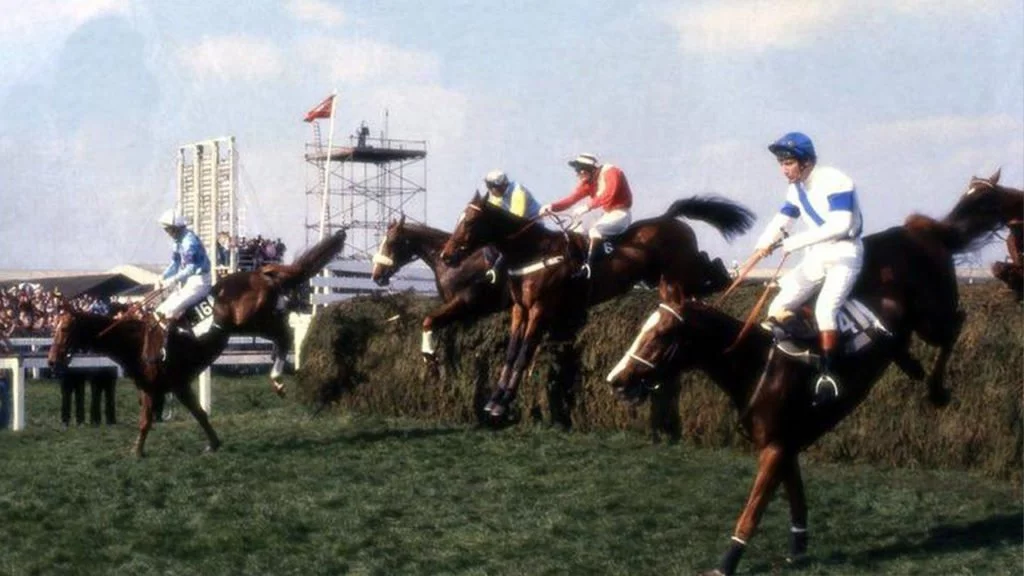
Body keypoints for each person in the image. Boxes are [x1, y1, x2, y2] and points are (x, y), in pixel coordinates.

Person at [753, 132, 864, 406]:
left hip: (845, 252)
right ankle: (805, 353)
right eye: (781, 163)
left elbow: (839, 225)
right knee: (779, 305)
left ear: (805, 162)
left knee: (825, 309)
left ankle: (828, 375)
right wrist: (762, 246)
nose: (783, 169)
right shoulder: (795, 189)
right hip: (818, 253)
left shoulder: (836, 181)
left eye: (788, 162)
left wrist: (796, 242)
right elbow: (782, 220)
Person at [539, 153, 633, 279]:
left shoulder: (611, 172)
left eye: (578, 170)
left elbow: (609, 194)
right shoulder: (589, 182)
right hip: (606, 214)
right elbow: (571, 199)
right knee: (576, 231)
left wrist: (588, 206)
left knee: (595, 230)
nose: (577, 174)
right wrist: (551, 207)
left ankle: (590, 267)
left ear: (586, 169)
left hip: (621, 213)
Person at [154, 209, 212, 358]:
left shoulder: (189, 241)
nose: (166, 232)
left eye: (167, 229)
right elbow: (175, 264)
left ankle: (172, 349)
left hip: (199, 282)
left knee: (169, 312)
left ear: (175, 227)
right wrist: (162, 277)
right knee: (159, 310)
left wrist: (171, 281)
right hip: (187, 283)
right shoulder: (178, 241)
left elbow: (191, 268)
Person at [482, 170, 542, 283]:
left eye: (490, 187)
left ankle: (497, 269)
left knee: (510, 243)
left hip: (532, 225)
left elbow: (515, 221)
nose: (489, 190)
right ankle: (490, 270)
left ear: (500, 186)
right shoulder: (496, 194)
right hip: (517, 224)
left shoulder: (518, 192)